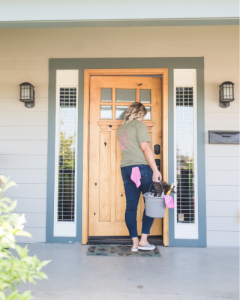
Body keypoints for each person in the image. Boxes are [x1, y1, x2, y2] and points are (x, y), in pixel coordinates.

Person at [117, 102, 162, 252]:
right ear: (141, 113)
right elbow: (145, 148)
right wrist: (155, 170)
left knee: (131, 206)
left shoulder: (121, 128)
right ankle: (144, 240)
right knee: (151, 203)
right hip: (142, 169)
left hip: (126, 169)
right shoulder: (139, 125)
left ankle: (135, 244)